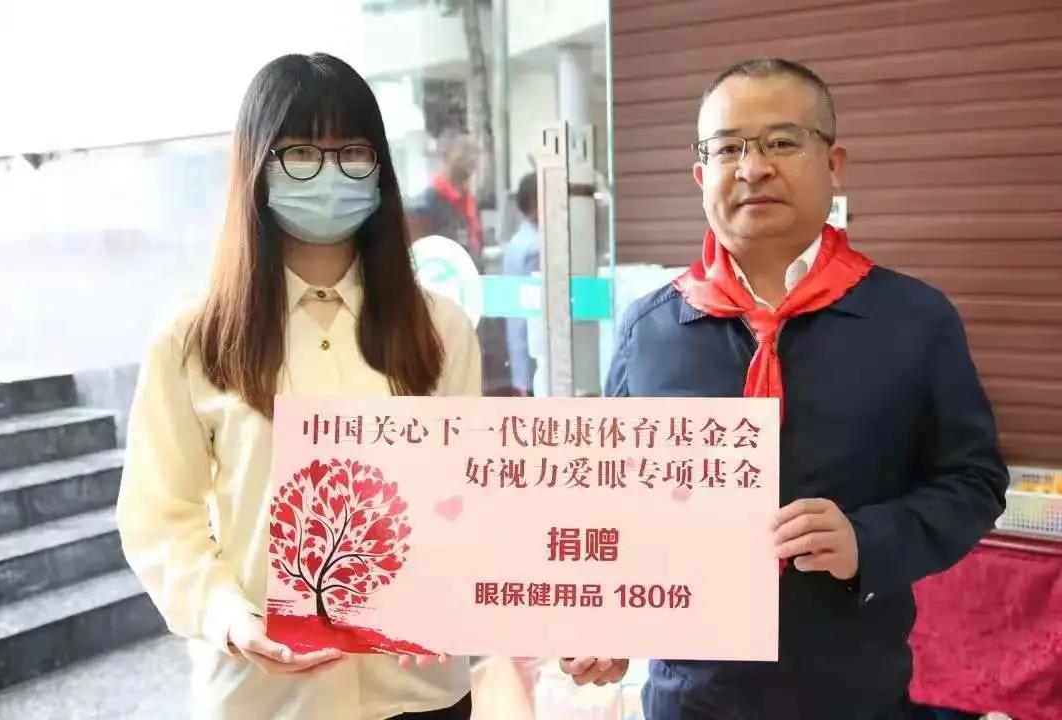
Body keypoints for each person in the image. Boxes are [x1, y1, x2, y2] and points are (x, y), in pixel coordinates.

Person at [560, 58, 1007, 720]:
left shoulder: (913, 319)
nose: (753, 168)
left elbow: (974, 482)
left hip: (854, 698)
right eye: (727, 148)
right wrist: (606, 618)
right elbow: (617, 506)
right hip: (690, 702)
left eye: (780, 142)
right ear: (700, 176)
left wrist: (866, 540)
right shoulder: (650, 329)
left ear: (834, 163)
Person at [116, 53, 480, 720]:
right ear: (257, 167)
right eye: (301, 153)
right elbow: (159, 518)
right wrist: (228, 617)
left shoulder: (442, 329)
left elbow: (467, 494)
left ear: (380, 167)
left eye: (353, 152)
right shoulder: (191, 341)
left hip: (421, 692)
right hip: (266, 696)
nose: (330, 172)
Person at [412, 129, 483, 265]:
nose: (472, 158)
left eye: (475, 152)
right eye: (466, 150)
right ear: (445, 155)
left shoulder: (470, 202)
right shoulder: (424, 206)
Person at [502, 172, 540, 396]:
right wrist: (522, 378)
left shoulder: (521, 242)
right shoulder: (531, 248)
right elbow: (518, 318)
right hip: (536, 360)